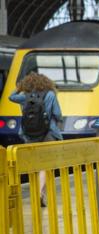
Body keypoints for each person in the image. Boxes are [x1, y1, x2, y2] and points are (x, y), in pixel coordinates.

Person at [9, 72, 63, 207]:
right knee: (45, 165)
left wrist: (20, 87)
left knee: (34, 165)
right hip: (48, 134)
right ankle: (40, 193)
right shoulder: (50, 94)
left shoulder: (23, 97)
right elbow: (57, 114)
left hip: (29, 134)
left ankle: (40, 194)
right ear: (46, 83)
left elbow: (10, 97)